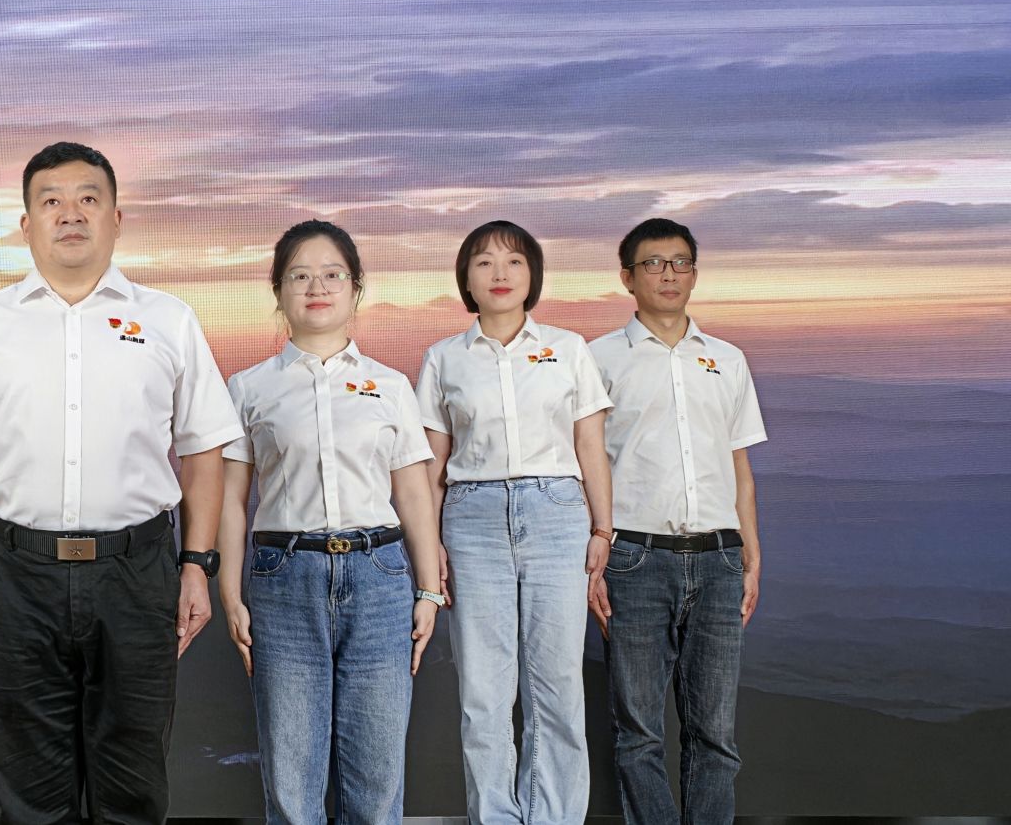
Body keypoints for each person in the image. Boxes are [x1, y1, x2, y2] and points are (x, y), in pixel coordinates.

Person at [0, 141, 242, 824]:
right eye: (51, 201)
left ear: (117, 218)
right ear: (26, 224)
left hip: (138, 572)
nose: (71, 214)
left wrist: (196, 566)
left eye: (89, 198)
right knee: (28, 787)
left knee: (133, 784)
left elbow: (204, 449)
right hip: (15, 575)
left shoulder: (169, 319)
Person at [217, 220, 447, 825]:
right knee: (292, 777)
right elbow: (231, 500)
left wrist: (428, 589)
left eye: (331, 274)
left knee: (377, 773)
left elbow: (414, 492)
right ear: (278, 291)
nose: (316, 287)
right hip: (283, 577)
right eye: (299, 275)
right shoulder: (248, 388)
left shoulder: (392, 386)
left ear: (355, 288)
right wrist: (231, 595)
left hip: (379, 576)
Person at [417, 220, 614, 825]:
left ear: (533, 276)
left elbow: (590, 446)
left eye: (514, 262)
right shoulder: (444, 358)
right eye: (483, 262)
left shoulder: (568, 348)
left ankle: (554, 817)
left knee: (557, 684)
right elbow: (431, 465)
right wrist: (431, 545)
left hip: (558, 514)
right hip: (471, 518)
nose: (499, 274)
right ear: (466, 279)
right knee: (483, 688)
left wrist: (602, 530)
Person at [588, 218, 767, 825]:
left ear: (694, 273)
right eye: (654, 263)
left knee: (715, 735)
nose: (669, 274)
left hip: (719, 558)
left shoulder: (728, 359)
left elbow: (739, 465)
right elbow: (585, 466)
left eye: (680, 262)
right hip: (634, 559)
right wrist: (595, 558)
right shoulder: (596, 360)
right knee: (638, 733)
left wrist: (750, 553)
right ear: (627, 277)